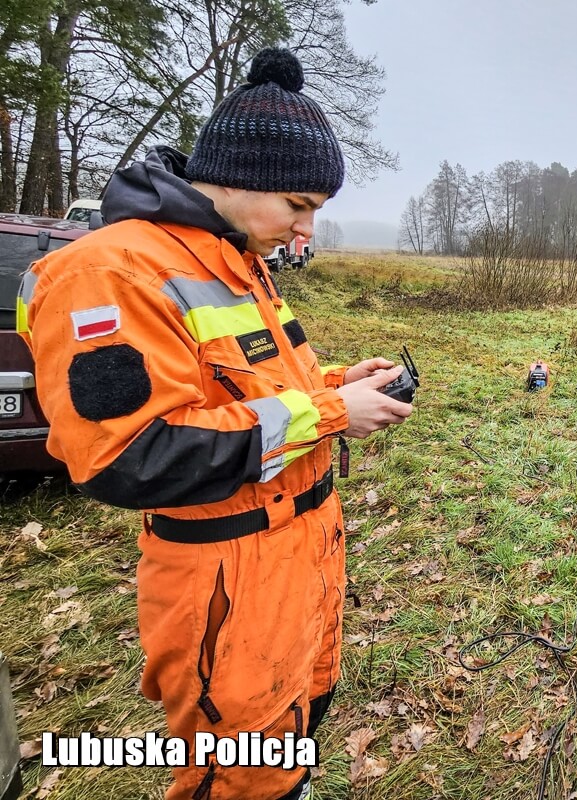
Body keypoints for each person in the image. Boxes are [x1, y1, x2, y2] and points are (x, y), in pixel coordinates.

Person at [16, 48, 412, 800]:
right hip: (227, 578)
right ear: (236, 178)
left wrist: (339, 381)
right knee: (235, 775)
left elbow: (259, 385)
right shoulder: (112, 273)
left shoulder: (237, 261)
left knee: (288, 743)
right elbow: (128, 458)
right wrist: (330, 412)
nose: (302, 231)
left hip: (302, 556)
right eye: (297, 205)